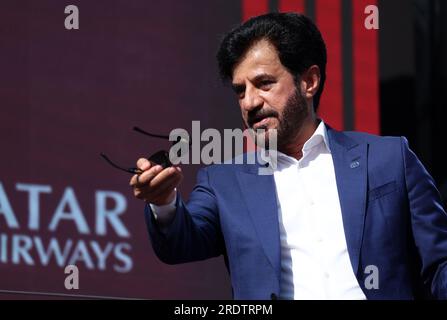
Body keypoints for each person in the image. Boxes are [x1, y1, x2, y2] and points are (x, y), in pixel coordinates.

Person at [129, 13, 447, 299]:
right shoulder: (223, 181)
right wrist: (163, 202)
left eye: (264, 83)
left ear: (309, 81)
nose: (249, 102)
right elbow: (181, 242)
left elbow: (440, 264)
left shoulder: (389, 158)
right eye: (240, 90)